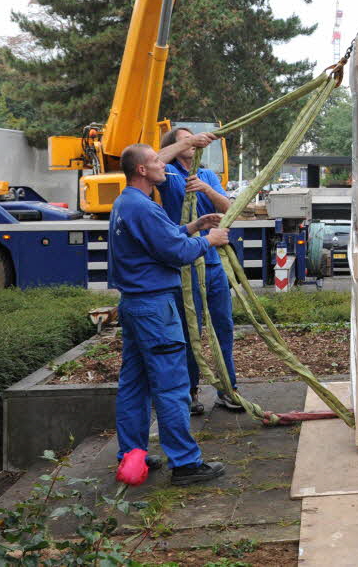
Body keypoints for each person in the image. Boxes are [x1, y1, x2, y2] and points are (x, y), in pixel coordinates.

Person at [110, 143, 231, 485]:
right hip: (155, 308)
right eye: (155, 161)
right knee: (171, 384)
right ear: (142, 171)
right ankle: (185, 463)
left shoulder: (127, 202)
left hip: (134, 305)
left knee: (134, 383)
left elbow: (161, 240)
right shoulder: (144, 207)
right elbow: (174, 252)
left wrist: (194, 226)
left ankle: (132, 455)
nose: (163, 166)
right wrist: (211, 240)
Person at [158, 127, 241, 415]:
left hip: (213, 262)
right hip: (184, 264)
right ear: (174, 145)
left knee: (223, 326)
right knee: (189, 329)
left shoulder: (207, 176)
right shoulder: (166, 174)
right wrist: (188, 141)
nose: (192, 142)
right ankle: (189, 392)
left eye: (193, 138)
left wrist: (205, 189)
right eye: (183, 139)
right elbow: (153, 161)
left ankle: (228, 390)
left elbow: (230, 208)